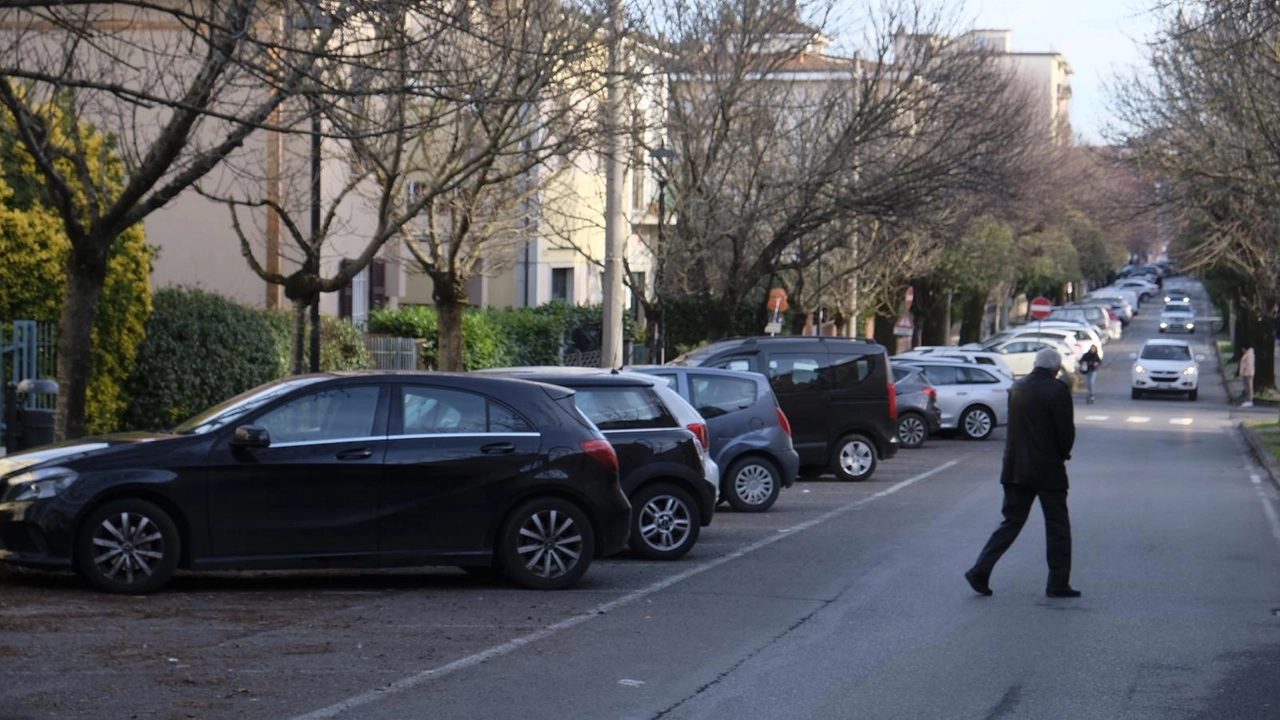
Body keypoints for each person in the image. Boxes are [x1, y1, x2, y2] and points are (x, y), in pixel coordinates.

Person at [965, 347, 1079, 598]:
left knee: (1011, 522)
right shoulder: (1058, 391)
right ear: (1056, 369)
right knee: (1057, 527)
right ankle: (1058, 583)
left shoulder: (1017, 388)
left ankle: (980, 569)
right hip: (1048, 469)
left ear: (1034, 364)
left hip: (1015, 467)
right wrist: (1062, 455)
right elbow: (1065, 434)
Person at [1239, 343, 1256, 408]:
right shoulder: (1248, 354)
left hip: (1248, 373)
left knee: (1249, 387)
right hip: (1246, 373)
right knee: (1247, 387)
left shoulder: (1249, 355)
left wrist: (1248, 373)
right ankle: (1248, 400)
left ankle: (1250, 400)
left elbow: (1249, 364)